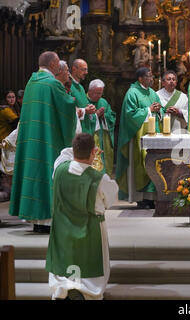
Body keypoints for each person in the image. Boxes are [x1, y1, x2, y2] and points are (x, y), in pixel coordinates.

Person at [9, 51, 77, 233]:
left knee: (35, 176)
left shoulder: (31, 82)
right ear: (54, 64)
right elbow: (67, 107)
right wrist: (74, 102)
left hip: (33, 141)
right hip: (48, 139)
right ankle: (47, 220)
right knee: (48, 174)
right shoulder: (52, 83)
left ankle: (37, 222)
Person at [46, 133, 118, 300]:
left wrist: (83, 149)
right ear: (94, 152)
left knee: (67, 259)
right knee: (89, 265)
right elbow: (109, 200)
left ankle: (64, 289)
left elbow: (65, 153)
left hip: (63, 227)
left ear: (75, 150)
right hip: (89, 228)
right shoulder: (100, 179)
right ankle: (87, 291)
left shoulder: (59, 168)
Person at [116, 67, 162, 209]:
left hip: (152, 134)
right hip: (137, 136)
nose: (151, 78)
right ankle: (140, 198)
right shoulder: (132, 92)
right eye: (148, 76)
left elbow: (160, 112)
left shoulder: (153, 93)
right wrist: (149, 110)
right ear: (140, 78)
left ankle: (151, 197)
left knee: (153, 164)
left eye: (152, 76)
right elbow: (129, 115)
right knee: (140, 165)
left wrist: (160, 110)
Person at [86, 79, 116, 176]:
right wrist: (95, 116)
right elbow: (81, 120)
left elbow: (112, 117)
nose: (99, 96)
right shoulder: (84, 101)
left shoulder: (103, 102)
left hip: (104, 138)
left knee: (105, 165)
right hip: (91, 137)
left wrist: (104, 116)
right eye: (97, 93)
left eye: (101, 93)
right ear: (90, 91)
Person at [70, 59, 97, 134]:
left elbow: (85, 104)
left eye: (86, 70)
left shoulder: (81, 87)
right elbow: (68, 108)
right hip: (76, 130)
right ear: (74, 69)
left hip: (85, 129)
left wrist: (91, 107)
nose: (86, 72)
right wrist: (85, 110)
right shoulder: (68, 86)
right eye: (83, 70)